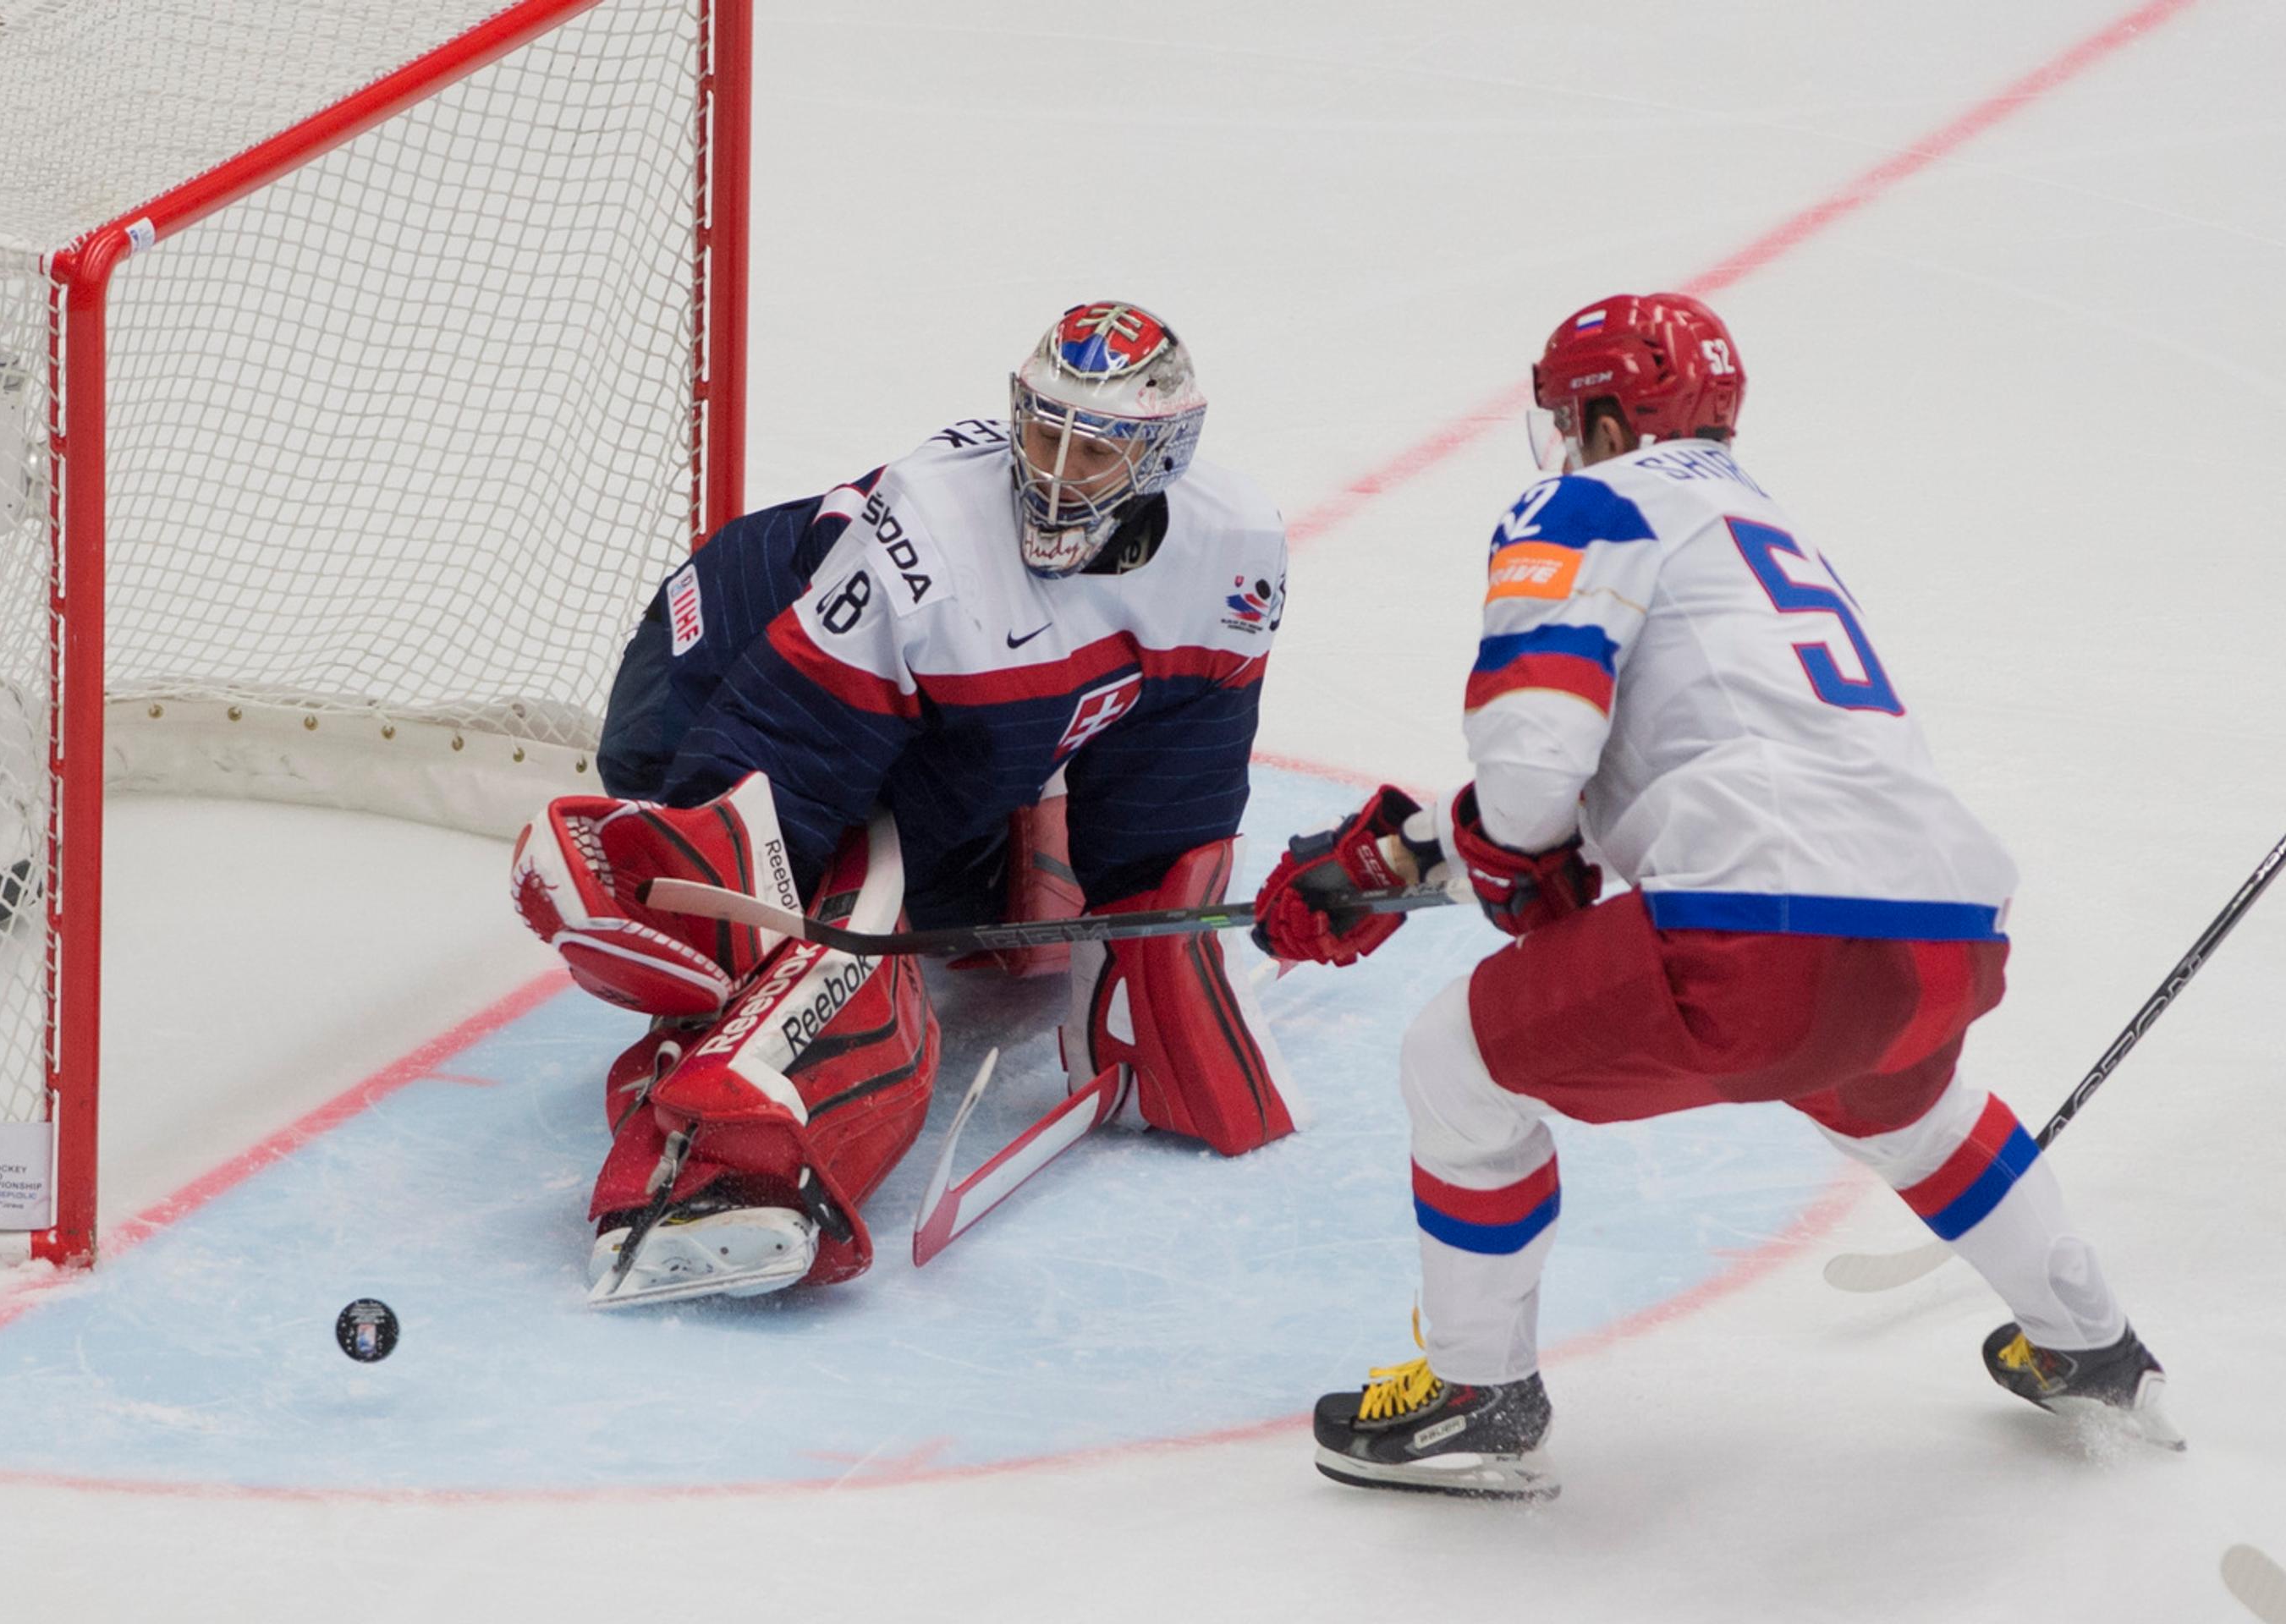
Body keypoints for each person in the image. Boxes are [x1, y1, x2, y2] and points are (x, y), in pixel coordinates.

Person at [1251, 293, 2176, 1500]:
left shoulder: (1589, 502)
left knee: (1455, 1062)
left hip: (1772, 937)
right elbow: (1673, 755)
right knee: (1913, 1108)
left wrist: (1499, 851)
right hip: (1946, 933)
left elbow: (1536, 762)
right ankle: (2094, 1350)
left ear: (1596, 414)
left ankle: (1479, 1397)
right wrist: (1403, 854)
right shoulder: (1750, 523)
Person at [512, 299, 1295, 1308]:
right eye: (1043, 432)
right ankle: (723, 1156)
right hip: (710, 685)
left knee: (956, 862)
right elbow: (779, 756)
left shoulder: (1234, 551)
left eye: (1091, 450)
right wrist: (749, 919)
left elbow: (1173, 758)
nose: (1054, 472)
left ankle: (999, 862)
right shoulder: (932, 540)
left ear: (1161, 457)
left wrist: (1148, 939)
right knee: (853, 928)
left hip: (929, 725)